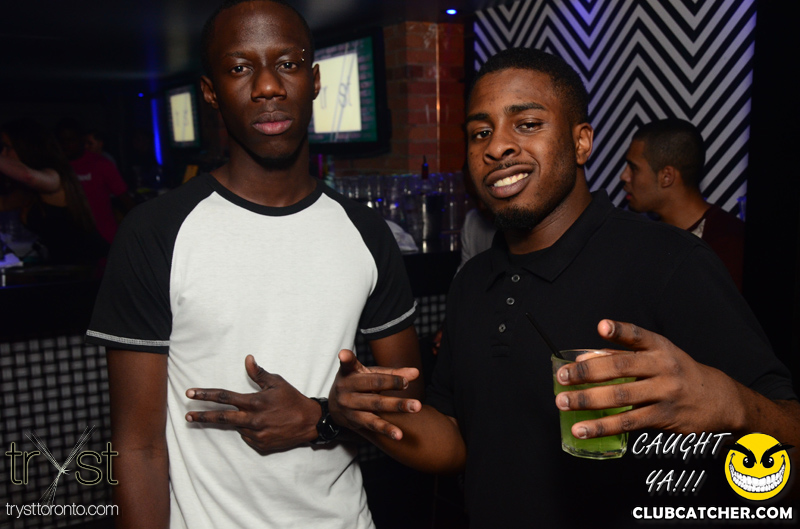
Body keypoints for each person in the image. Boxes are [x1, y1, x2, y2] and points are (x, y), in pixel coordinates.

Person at [328, 48, 800, 528]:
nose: (497, 146)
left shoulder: (671, 262)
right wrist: (365, 413)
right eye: (480, 132)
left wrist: (732, 405)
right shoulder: (472, 282)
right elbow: (455, 440)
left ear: (581, 143)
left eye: (528, 124)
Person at [84, 1, 422, 528]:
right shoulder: (155, 232)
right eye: (240, 67)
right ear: (211, 91)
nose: (267, 86)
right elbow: (138, 446)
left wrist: (323, 417)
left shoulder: (365, 231)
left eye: (287, 64)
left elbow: (408, 404)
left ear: (314, 81)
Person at [620, 118, 745, 290]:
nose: (624, 176)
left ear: (667, 177)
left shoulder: (729, 245)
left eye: (634, 168)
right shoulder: (641, 238)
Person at [0, 118, 108, 264]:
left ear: (25, 147)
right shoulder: (27, 191)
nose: (4, 154)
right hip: (65, 266)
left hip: (91, 265)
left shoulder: (54, 176)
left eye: (7, 147)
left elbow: (28, 176)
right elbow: (4, 204)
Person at [56, 118, 133, 244]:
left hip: (104, 236)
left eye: (71, 140)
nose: (66, 145)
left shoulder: (101, 164)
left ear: (81, 140)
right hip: (71, 238)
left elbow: (124, 198)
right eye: (62, 141)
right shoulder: (57, 167)